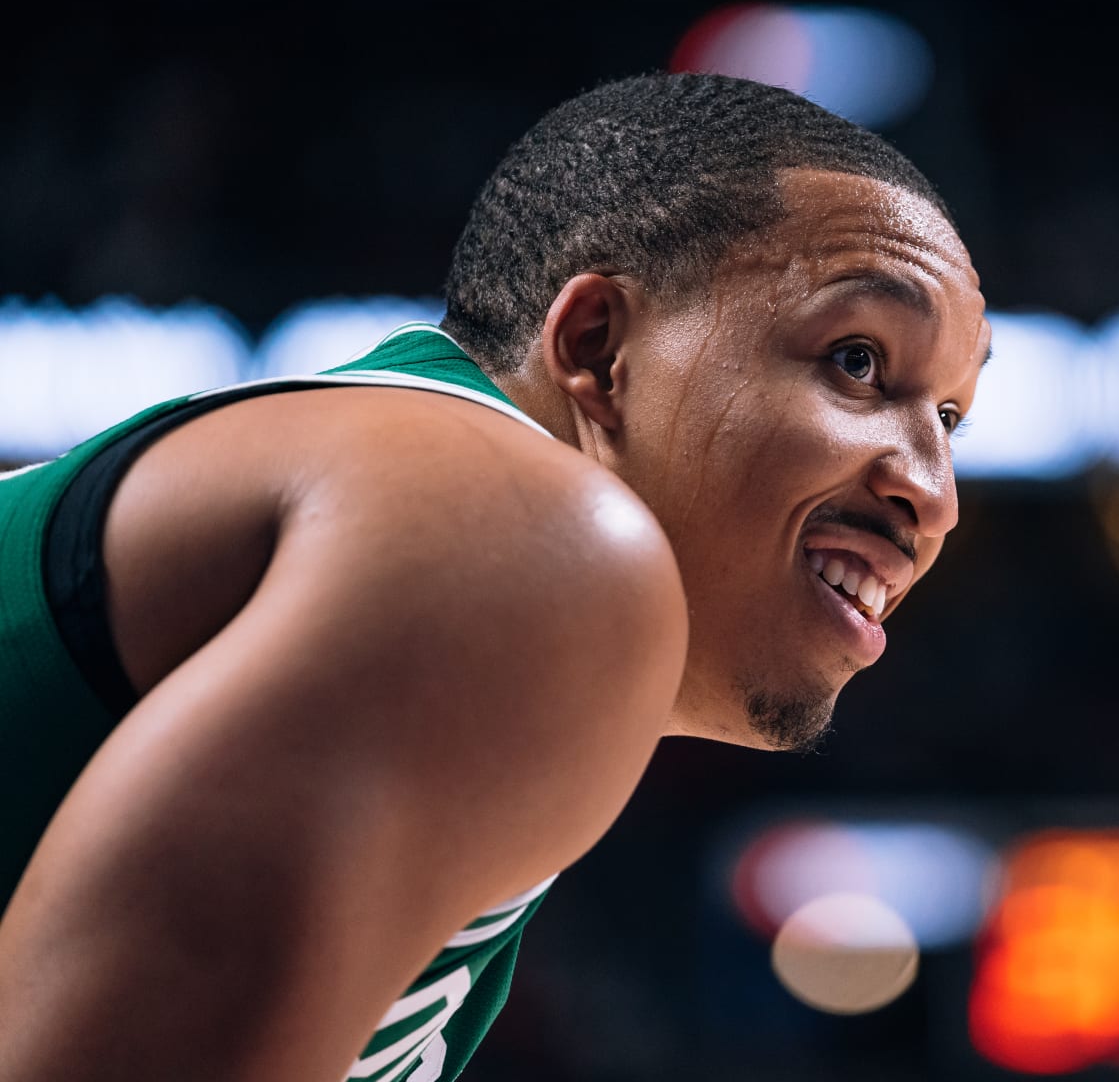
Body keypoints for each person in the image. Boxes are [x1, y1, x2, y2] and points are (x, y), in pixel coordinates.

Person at [0, 72, 991, 1082]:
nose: (935, 493)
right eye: (859, 362)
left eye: (950, 419)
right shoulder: (526, 542)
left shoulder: (434, 514)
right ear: (598, 347)